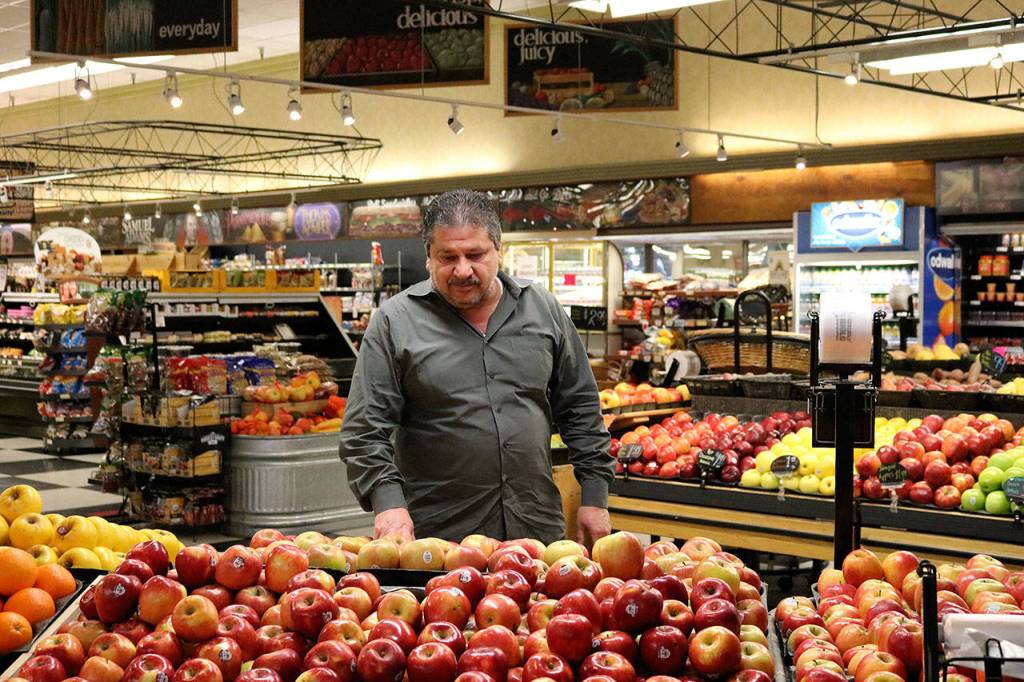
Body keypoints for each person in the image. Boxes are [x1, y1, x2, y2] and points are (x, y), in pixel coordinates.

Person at [339, 189, 613, 545]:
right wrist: (388, 504)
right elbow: (364, 430)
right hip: (437, 538)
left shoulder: (542, 309)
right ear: (428, 258)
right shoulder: (395, 322)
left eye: (476, 254)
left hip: (533, 528)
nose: (462, 270)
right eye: (448, 257)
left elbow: (580, 408)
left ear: (499, 251)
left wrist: (594, 496)